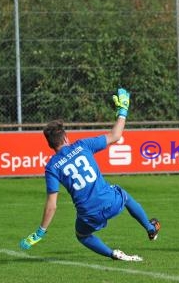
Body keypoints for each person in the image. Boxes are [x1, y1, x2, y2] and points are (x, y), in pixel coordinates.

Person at [19, 88, 161, 261]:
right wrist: (122, 111)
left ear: (51, 145)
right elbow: (116, 136)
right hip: (112, 202)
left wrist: (40, 232)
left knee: (82, 235)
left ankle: (113, 253)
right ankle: (150, 228)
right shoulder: (82, 145)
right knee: (124, 196)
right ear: (65, 138)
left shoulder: (52, 167)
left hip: (89, 215)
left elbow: (52, 205)